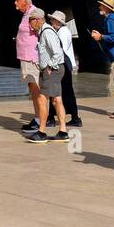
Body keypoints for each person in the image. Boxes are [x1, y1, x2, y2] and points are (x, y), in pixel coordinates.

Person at [25, 8, 69, 143]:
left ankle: (42, 132)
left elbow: (57, 53)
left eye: (31, 21)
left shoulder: (46, 32)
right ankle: (63, 131)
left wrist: (49, 66)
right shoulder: (45, 31)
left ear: (38, 20)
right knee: (57, 100)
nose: (30, 24)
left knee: (42, 99)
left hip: (52, 70)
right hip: (56, 69)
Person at [14, 0, 42, 132]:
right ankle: (37, 118)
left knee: (36, 90)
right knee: (33, 89)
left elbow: (42, 32)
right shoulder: (26, 14)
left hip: (32, 58)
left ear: (25, 2)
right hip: (26, 57)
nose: (15, 3)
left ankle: (40, 121)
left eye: (17, 0)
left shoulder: (33, 13)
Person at [49, 11, 82, 128]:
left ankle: (51, 118)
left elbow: (58, 48)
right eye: (53, 20)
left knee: (55, 91)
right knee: (66, 92)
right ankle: (74, 117)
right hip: (65, 63)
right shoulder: (62, 31)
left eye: (55, 20)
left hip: (63, 63)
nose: (53, 22)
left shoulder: (62, 32)